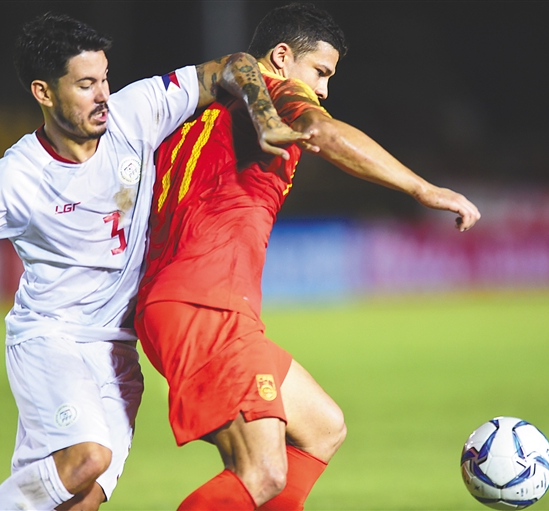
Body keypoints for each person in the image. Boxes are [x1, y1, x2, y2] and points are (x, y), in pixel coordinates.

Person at [0, 12, 302, 511]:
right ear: (43, 92)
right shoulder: (16, 175)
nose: (103, 94)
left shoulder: (136, 111)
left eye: (105, 79)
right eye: (86, 85)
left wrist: (265, 115)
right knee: (86, 459)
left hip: (118, 351)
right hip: (52, 338)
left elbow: (234, 66)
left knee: (81, 498)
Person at [135, 3, 481, 510]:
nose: (323, 89)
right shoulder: (276, 92)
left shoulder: (193, 120)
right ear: (281, 57)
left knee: (321, 427)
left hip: (181, 302)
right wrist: (422, 188)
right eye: (320, 71)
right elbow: (325, 132)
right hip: (207, 303)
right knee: (262, 472)